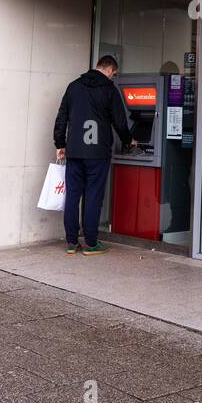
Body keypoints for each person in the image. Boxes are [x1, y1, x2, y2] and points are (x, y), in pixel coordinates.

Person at [53, 54, 136, 256]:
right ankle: (91, 243)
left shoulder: (73, 87)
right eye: (113, 74)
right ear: (109, 70)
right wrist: (128, 140)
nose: (113, 77)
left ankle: (72, 242)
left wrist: (60, 143)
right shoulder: (108, 90)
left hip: (75, 150)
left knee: (73, 195)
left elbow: (62, 117)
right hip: (97, 153)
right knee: (93, 196)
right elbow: (120, 121)